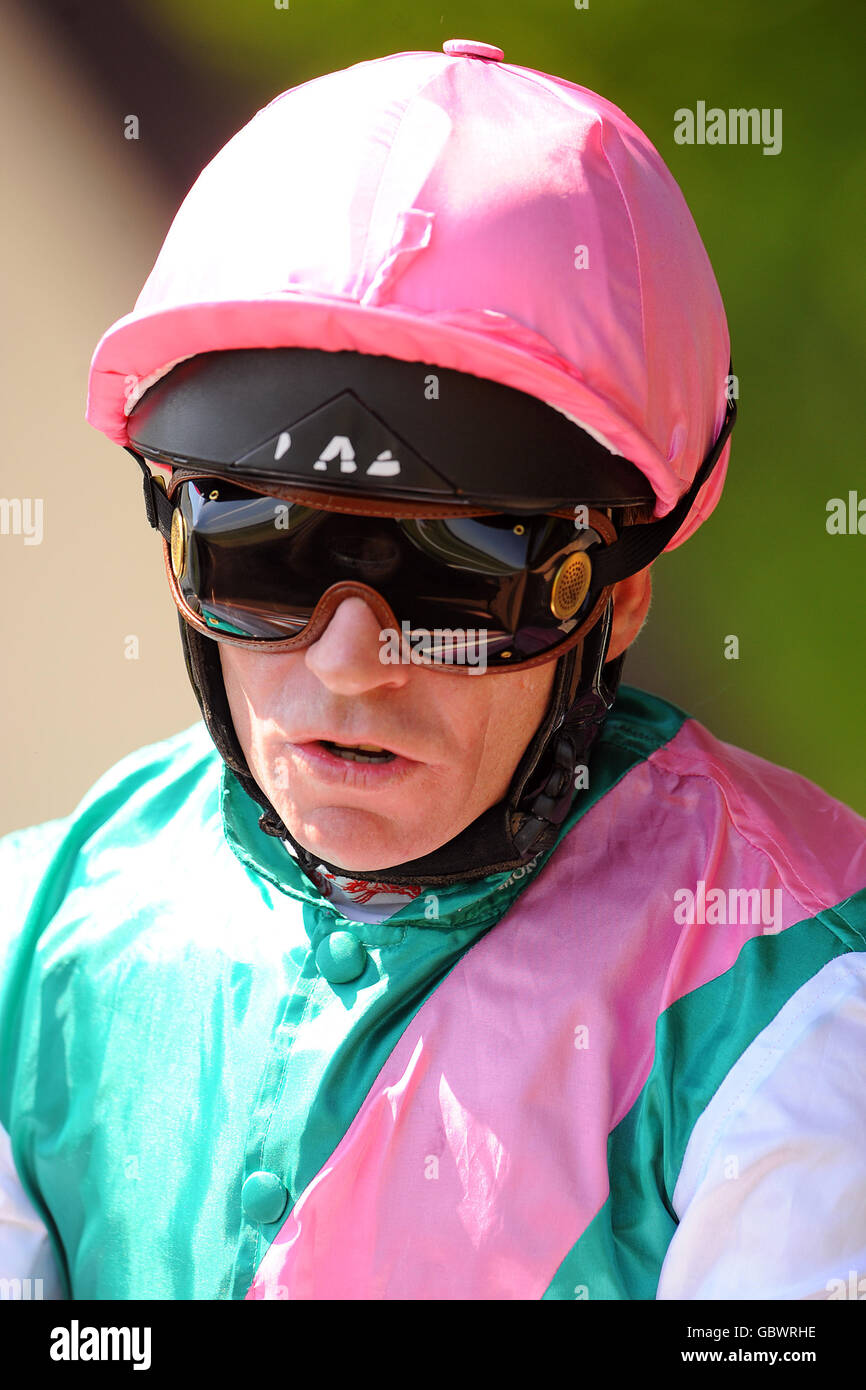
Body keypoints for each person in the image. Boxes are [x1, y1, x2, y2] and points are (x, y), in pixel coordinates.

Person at [1, 39, 864, 1303]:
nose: (349, 664)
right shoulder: (33, 942)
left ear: (617, 594)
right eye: (263, 548)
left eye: (461, 570)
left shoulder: (798, 1006)